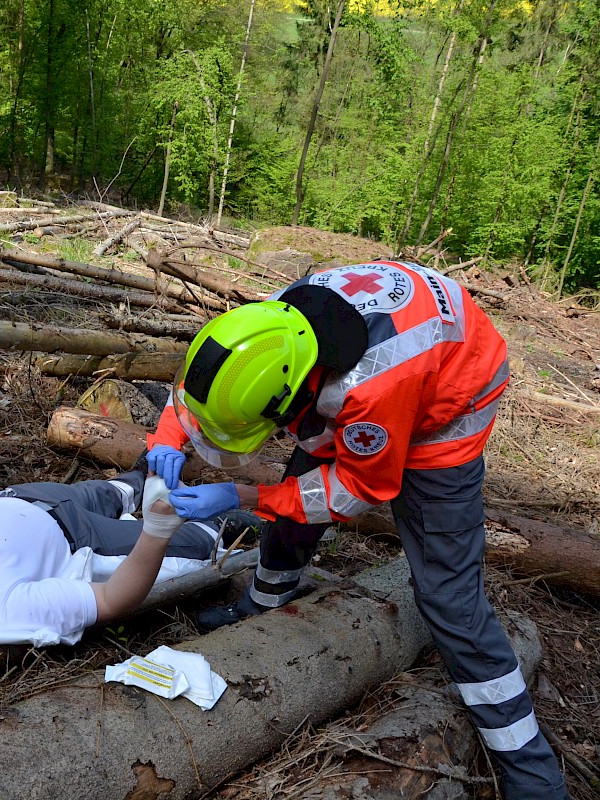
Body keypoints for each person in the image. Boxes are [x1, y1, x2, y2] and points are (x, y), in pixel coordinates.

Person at [147, 260, 568, 799]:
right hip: (374, 368)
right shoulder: (268, 329)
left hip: (452, 398)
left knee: (448, 596)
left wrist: (245, 495)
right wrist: (165, 436)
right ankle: (263, 605)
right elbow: (205, 376)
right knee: (302, 478)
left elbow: (355, 491)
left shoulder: (371, 391)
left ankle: (533, 772)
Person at [0, 468, 256, 669]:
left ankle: (137, 480)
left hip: (27, 494)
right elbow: (112, 599)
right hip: (80, 534)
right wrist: (159, 528)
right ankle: (221, 520)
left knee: (123, 486)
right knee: (198, 542)